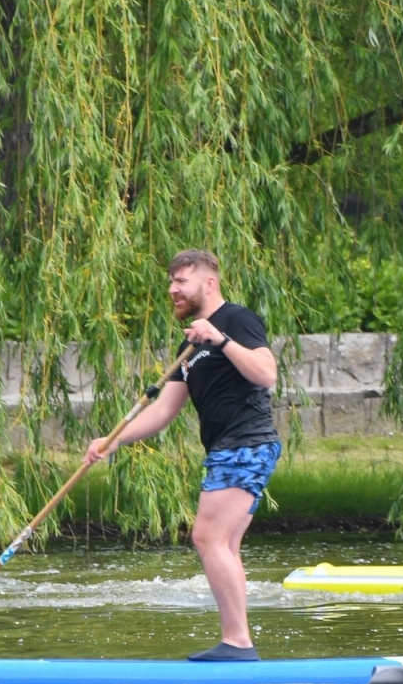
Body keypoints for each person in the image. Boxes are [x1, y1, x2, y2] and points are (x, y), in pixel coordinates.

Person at [85, 249, 281, 659]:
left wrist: (221, 339)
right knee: (225, 544)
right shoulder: (188, 346)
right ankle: (240, 645)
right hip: (230, 449)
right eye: (171, 282)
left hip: (245, 443)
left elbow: (266, 374)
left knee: (208, 537)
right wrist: (113, 440)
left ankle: (238, 643)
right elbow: (161, 412)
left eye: (181, 281)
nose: (173, 289)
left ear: (209, 283)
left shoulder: (237, 320)